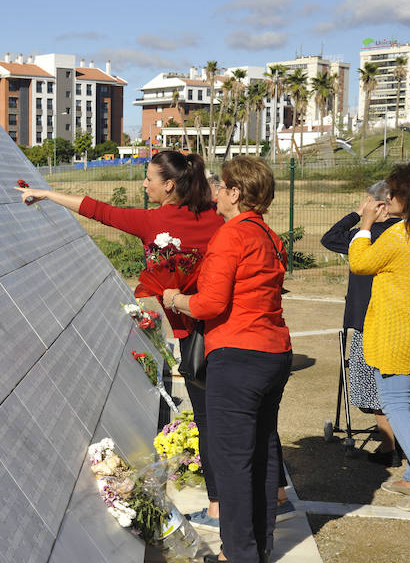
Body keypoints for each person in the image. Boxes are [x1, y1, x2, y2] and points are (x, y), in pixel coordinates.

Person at [16, 151, 225, 511]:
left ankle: (219, 505)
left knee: (208, 419)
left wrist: (48, 194)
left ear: (169, 185)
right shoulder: (214, 217)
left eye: (149, 178)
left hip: (187, 328)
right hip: (218, 327)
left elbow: (98, 211)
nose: (144, 184)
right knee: (227, 413)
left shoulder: (153, 223)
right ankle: (273, 492)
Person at [164, 156, 291, 563]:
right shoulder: (270, 236)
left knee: (233, 460)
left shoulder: (231, 235)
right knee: (263, 451)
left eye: (220, 186)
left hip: (238, 357)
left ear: (235, 194)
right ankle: (258, 545)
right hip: (274, 353)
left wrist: (175, 299)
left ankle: (237, 554)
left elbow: (210, 303)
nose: (215, 192)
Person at [348, 161, 410, 512]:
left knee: (394, 404)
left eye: (393, 192)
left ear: (408, 197)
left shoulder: (400, 234)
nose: (387, 197)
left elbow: (361, 263)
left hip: (399, 332)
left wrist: (366, 224)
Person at [320, 181, 401, 465]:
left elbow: (329, 238)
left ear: (380, 205)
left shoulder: (364, 237)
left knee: (372, 385)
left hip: (370, 319)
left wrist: (358, 215)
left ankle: (389, 445)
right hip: (405, 319)